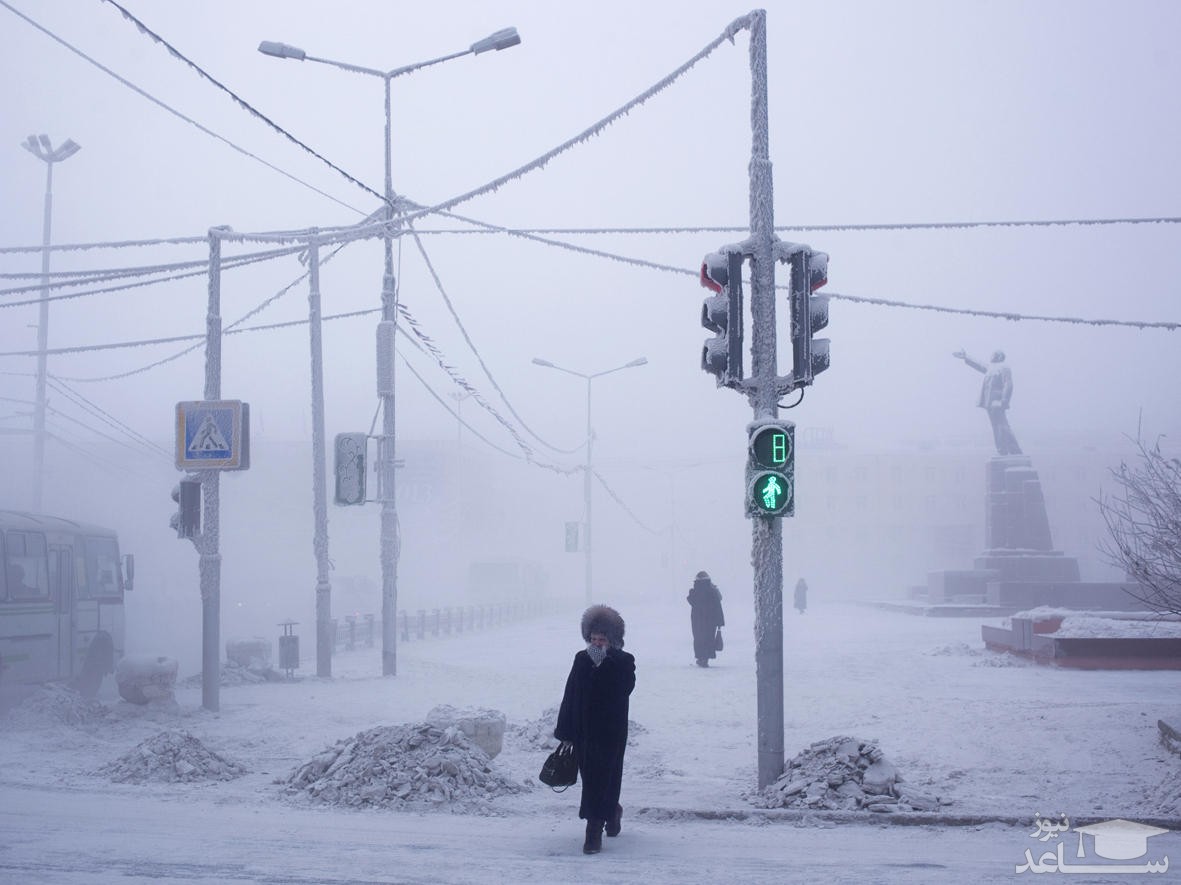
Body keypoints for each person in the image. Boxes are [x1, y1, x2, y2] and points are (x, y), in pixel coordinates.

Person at [554, 604, 635, 855]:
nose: (597, 643)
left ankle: (593, 831)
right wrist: (565, 731)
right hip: (584, 732)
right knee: (592, 780)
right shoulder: (581, 659)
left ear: (612, 640)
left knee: (607, 777)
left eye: (602, 639)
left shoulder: (624, 661)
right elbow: (571, 694)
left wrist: (605, 664)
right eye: (593, 638)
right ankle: (609, 813)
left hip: (611, 732)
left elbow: (625, 689)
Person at [952, 349, 1023, 456]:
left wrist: (1004, 400)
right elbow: (979, 365)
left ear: (999, 357)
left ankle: (1015, 450)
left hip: (998, 401)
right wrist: (966, 357)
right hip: (989, 403)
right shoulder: (991, 368)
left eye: (994, 354)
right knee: (996, 427)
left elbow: (1008, 384)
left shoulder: (1004, 367)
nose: (991, 356)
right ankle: (1002, 450)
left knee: (1003, 426)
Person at [687, 570, 725, 668]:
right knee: (708, 639)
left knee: (699, 639)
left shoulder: (696, 591)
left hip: (697, 621)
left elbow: (690, 599)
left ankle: (701, 658)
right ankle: (705, 658)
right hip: (710, 622)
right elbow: (718, 606)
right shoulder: (712, 591)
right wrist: (720, 622)